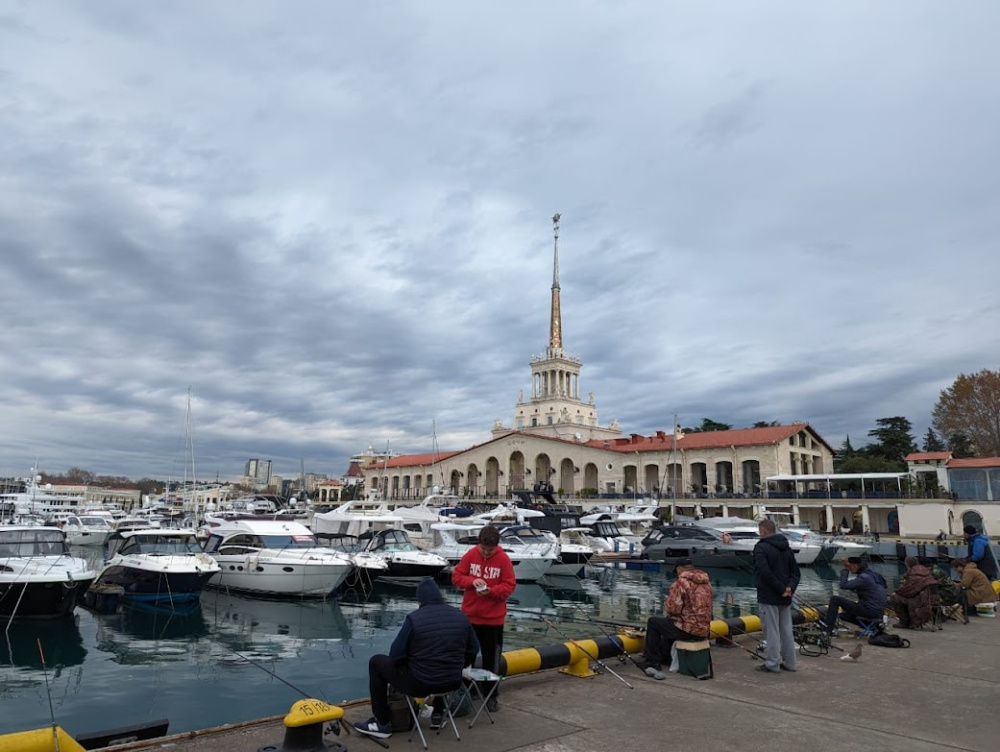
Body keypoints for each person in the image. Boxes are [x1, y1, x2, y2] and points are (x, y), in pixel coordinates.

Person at [354, 578, 479, 740]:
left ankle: (382, 723)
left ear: (420, 601)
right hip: (452, 682)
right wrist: (457, 666)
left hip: (420, 684)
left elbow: (395, 656)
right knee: (443, 664)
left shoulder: (415, 619)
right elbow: (474, 649)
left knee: (376, 662)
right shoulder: (461, 616)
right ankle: (438, 715)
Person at [452, 525, 516, 713]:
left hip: (493, 620)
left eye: (490, 550)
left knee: (491, 661)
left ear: (497, 546)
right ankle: (464, 691)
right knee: (465, 658)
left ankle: (491, 696)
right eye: (484, 549)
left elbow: (509, 585)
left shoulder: (503, 559)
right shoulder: (471, 555)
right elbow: (457, 577)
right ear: (479, 544)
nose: (486, 553)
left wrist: (492, 592)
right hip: (470, 617)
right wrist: (472, 582)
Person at [635, 557, 714, 680]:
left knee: (654, 622)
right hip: (704, 631)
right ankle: (666, 657)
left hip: (688, 631)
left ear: (679, 569)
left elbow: (673, 609)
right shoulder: (707, 583)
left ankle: (652, 661)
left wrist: (667, 602)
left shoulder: (681, 583)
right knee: (670, 622)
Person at [753, 519, 800, 674]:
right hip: (785, 596)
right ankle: (790, 663)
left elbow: (764, 572)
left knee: (771, 631)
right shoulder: (786, 548)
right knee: (786, 630)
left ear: (764, 531)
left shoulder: (761, 547)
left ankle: (772, 663)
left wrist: (781, 588)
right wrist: (789, 588)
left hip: (769, 595)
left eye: (760, 531)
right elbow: (795, 572)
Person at [820, 556, 887, 635]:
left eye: (850, 566)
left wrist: (845, 570)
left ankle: (827, 630)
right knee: (844, 615)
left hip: (870, 610)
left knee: (835, 599)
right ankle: (873, 627)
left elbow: (843, 585)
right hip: (879, 612)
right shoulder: (873, 574)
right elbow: (880, 587)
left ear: (855, 565)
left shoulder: (863, 578)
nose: (849, 569)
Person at [888, 556, 937, 629]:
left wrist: (898, 591)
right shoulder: (926, 572)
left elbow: (909, 591)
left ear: (907, 564)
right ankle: (909, 620)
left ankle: (904, 622)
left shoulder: (914, 574)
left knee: (894, 598)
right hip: (933, 600)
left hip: (921, 602)